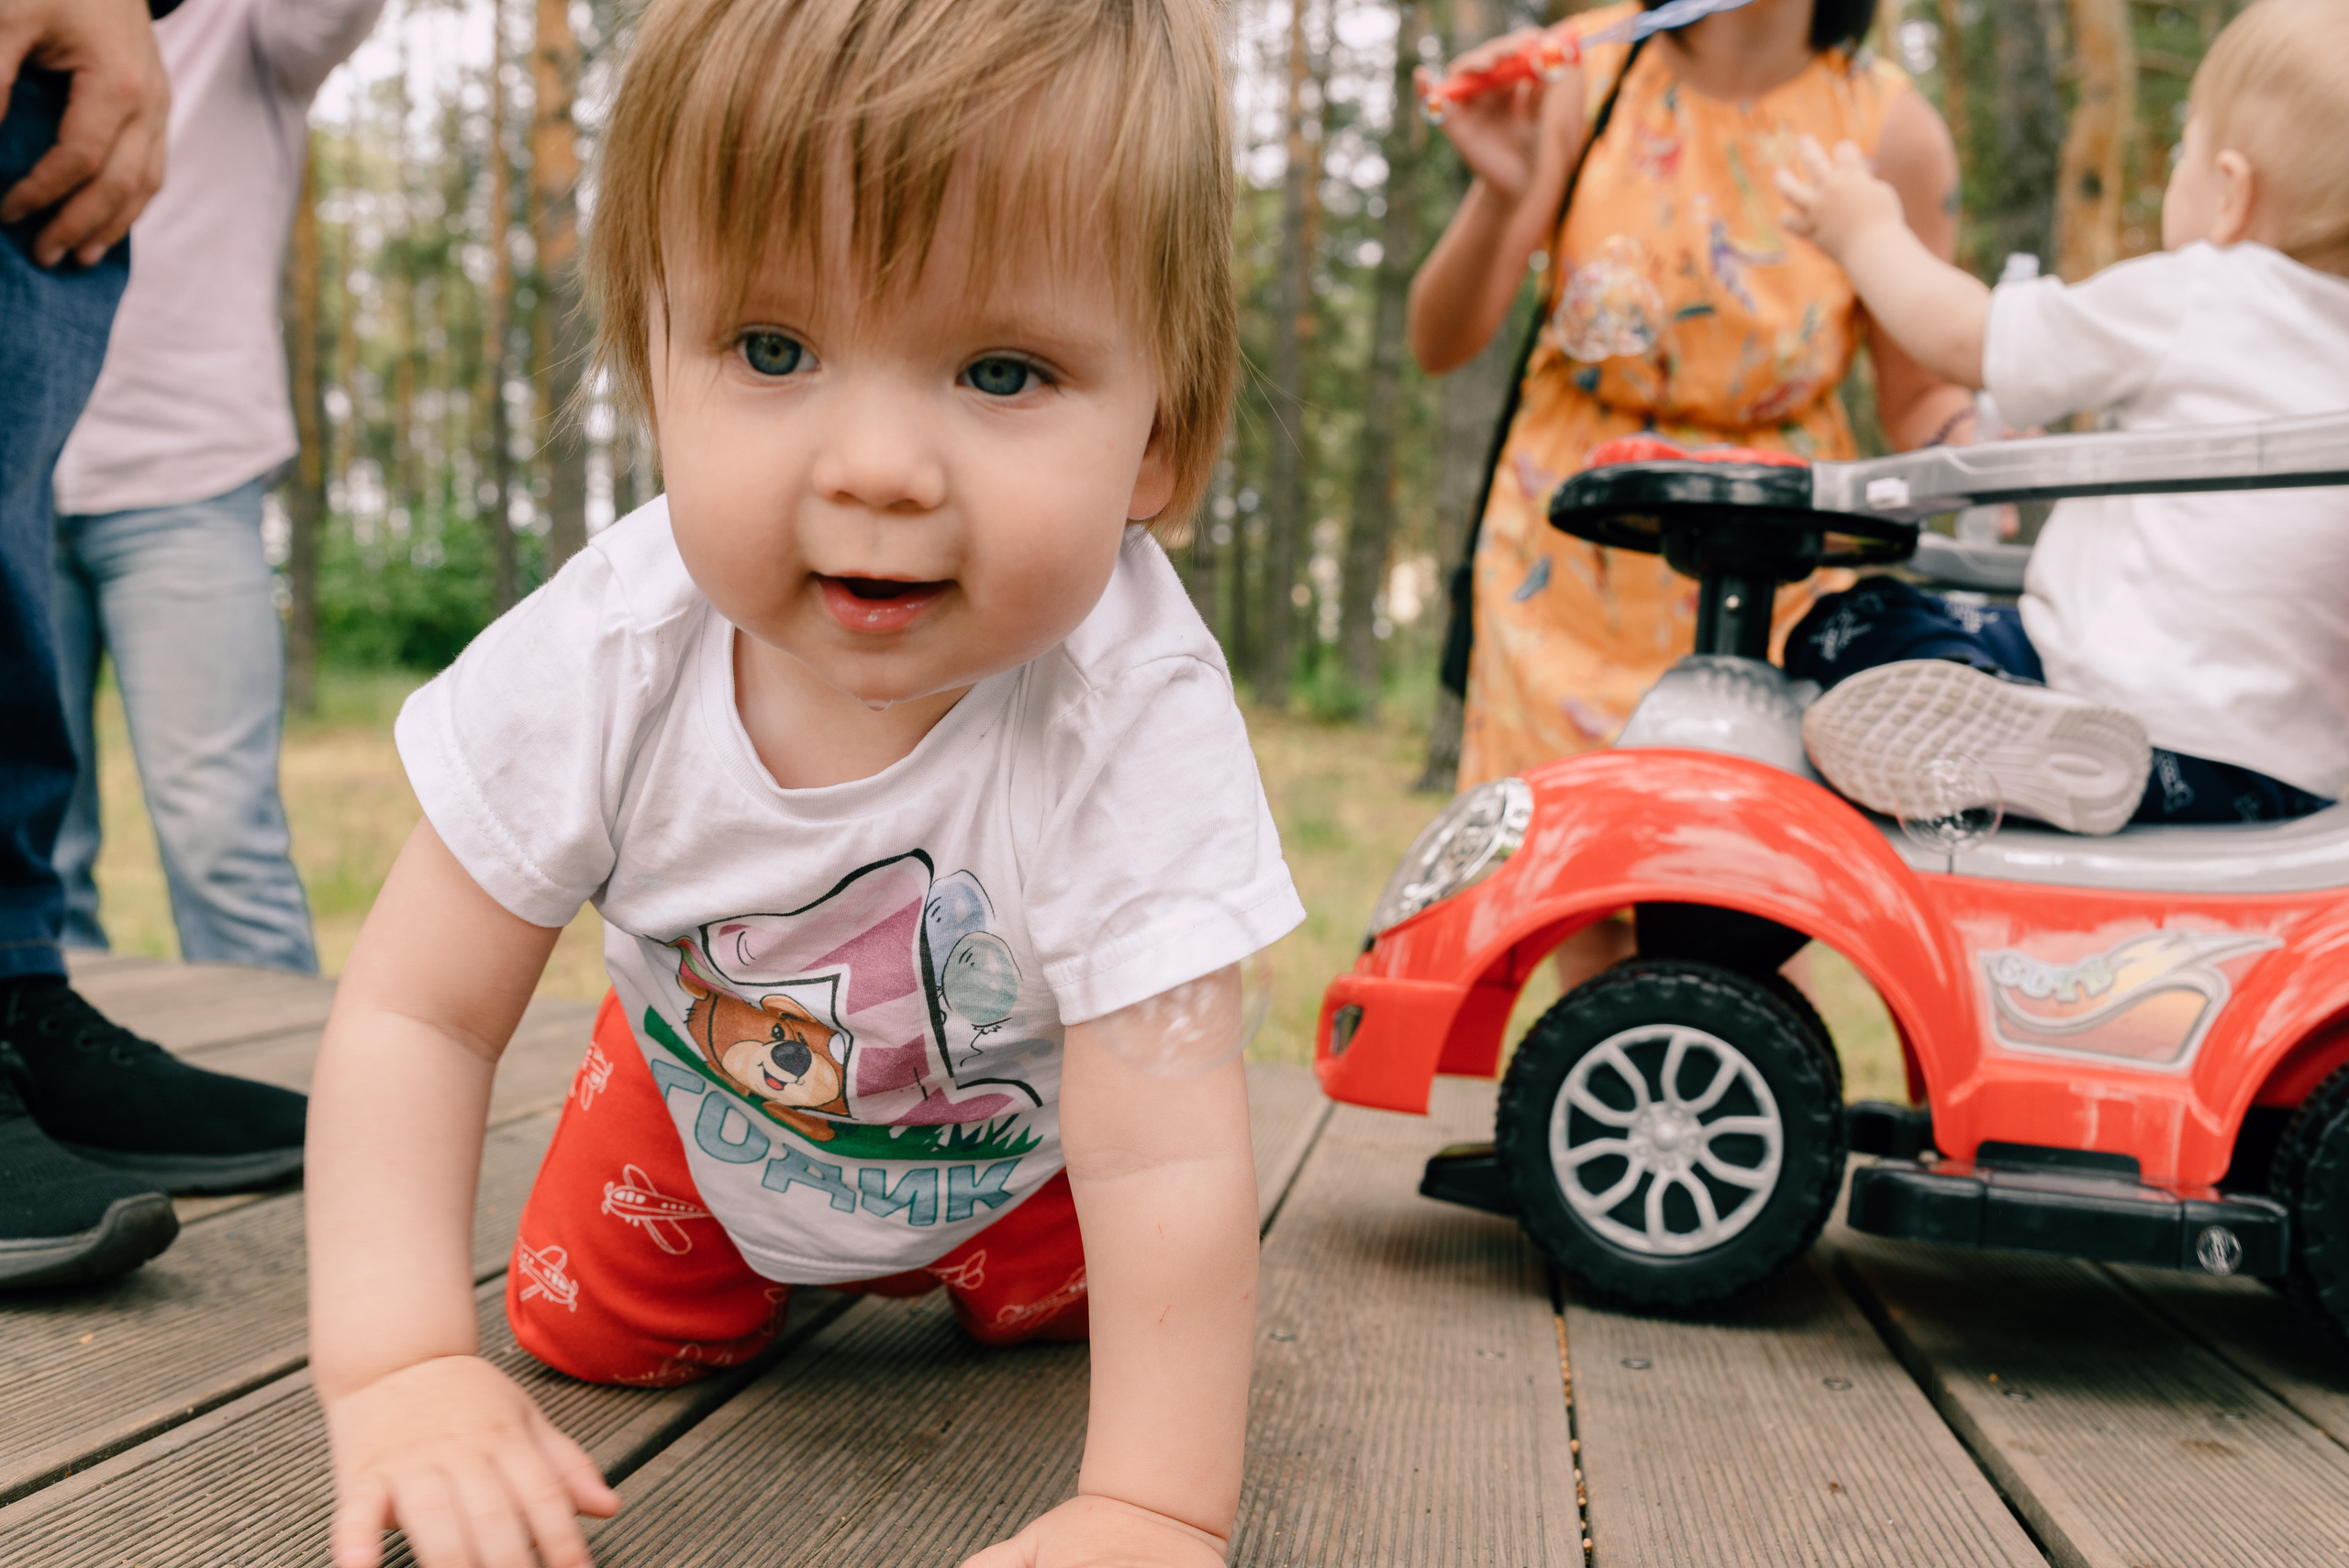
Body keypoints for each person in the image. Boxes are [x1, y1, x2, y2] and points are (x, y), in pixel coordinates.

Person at [306, 1, 1300, 1564]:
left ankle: (997, 1279)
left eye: (1001, 369)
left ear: (1158, 438)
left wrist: (1152, 1505)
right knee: (584, 1335)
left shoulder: (1133, 711)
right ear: (655, 366)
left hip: (1031, 1154)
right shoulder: (612, 649)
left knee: (1116, 1296)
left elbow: (1163, 1145)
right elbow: (419, 1012)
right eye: (773, 349)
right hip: (702, 1118)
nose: (877, 467)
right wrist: (401, 1365)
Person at [1410, 0, 1974, 984]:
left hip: (1771, 557)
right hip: (1572, 548)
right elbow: (1440, 339)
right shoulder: (1590, 71)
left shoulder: (1891, 129)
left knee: (1749, 910)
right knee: (1576, 904)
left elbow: (1916, 391)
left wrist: (1979, 445)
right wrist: (1502, 193)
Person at [1778, 0, 2349, 834]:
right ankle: (2016, 736)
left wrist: (1865, 232)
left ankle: (1996, 721)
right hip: (2283, 789)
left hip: (2117, 717)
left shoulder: (2199, 292)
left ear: (2231, 192)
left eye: (2182, 153)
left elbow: (1964, 338)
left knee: (1853, 617)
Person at [1, 0, 310, 1293]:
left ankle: (16, 997)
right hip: (106, 471)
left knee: (214, 820)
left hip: (178, 462)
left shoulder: (251, 35)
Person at [50, 0, 384, 974]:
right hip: (19, 471)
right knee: (29, 856)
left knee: (221, 841)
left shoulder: (245, 23)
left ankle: (280, 1072)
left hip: (186, 478)